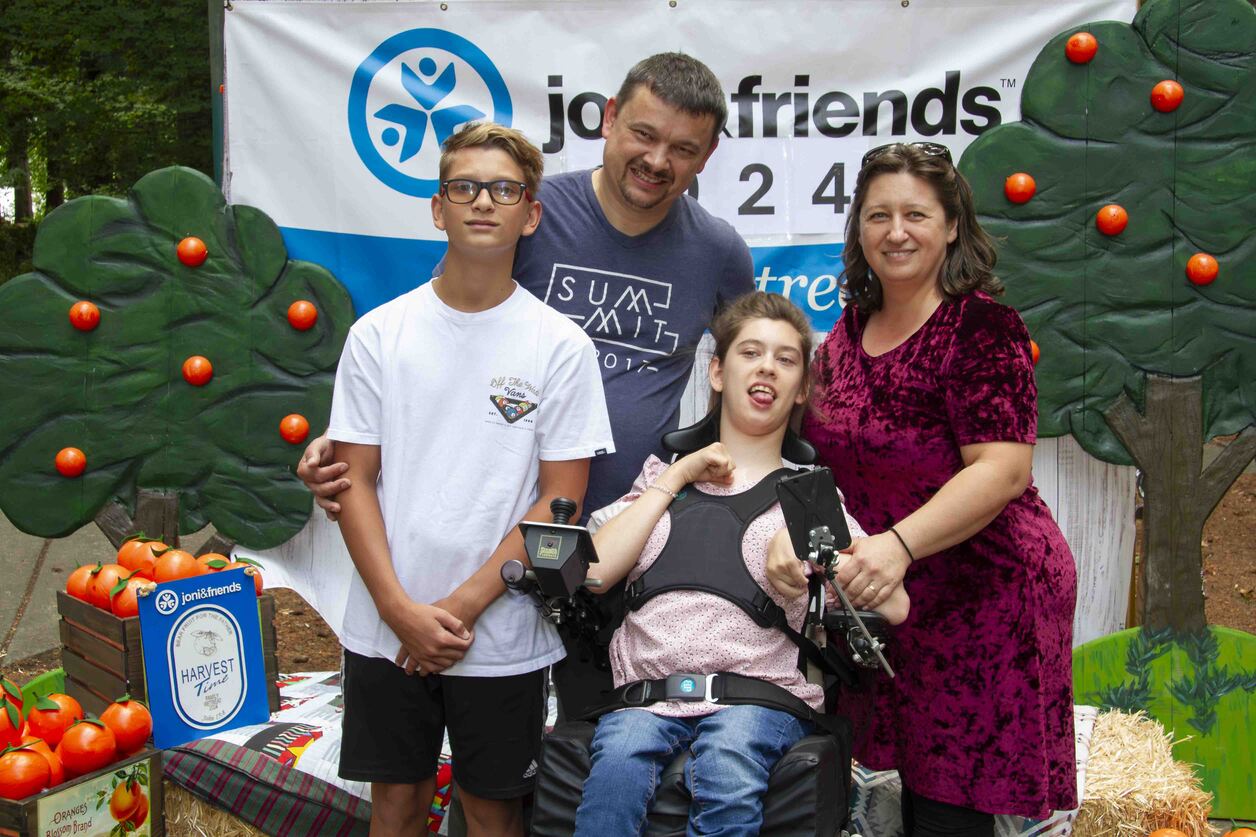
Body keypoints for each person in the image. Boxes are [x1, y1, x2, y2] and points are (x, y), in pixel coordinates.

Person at [301, 52, 754, 717]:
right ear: (608, 121)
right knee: (482, 722)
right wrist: (342, 438)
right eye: (645, 134)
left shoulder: (719, 251)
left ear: (707, 157)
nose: (658, 159)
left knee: (597, 718)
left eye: (683, 148)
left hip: (624, 536)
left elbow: (751, 372)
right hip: (511, 531)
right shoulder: (533, 213)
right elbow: (437, 334)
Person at [768, 142, 1077, 835]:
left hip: (987, 598)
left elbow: (1003, 469)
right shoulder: (844, 336)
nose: (896, 231)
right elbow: (822, 462)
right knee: (891, 802)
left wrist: (899, 545)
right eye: (878, 215)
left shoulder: (981, 329)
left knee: (951, 811)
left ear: (952, 228)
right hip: (889, 604)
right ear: (859, 232)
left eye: (915, 213)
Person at [327, 123, 614, 837]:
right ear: (438, 207)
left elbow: (561, 503)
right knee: (396, 803)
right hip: (385, 625)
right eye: (465, 186)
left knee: (492, 809)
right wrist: (400, 610)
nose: (483, 202)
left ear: (531, 212)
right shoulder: (378, 335)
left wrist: (457, 606)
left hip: (501, 630)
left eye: (505, 189)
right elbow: (353, 480)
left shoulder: (561, 346)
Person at [574, 292, 908, 836]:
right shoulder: (661, 475)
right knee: (615, 770)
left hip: (756, 697)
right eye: (750, 352)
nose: (766, 368)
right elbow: (594, 572)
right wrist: (677, 477)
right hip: (648, 696)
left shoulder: (809, 496)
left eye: (785, 359)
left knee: (728, 762)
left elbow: (894, 604)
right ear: (718, 372)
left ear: (800, 388)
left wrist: (813, 555)